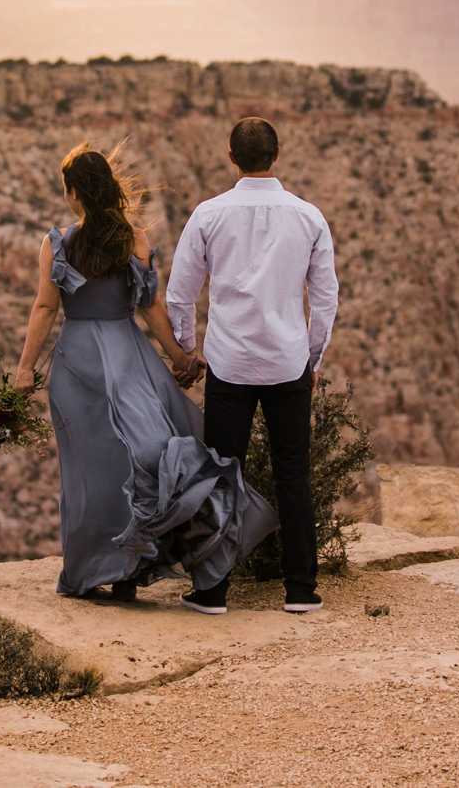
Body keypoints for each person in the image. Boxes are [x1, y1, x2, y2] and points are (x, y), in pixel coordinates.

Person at [16, 144, 276, 601]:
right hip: (128, 355)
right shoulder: (132, 240)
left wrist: (24, 370)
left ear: (74, 193)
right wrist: (180, 358)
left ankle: (91, 569)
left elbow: (44, 307)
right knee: (143, 457)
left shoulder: (57, 243)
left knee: (88, 472)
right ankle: (129, 572)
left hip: (76, 366)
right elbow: (151, 307)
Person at [166, 116, 338, 615]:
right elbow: (325, 300)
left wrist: (187, 351)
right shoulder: (309, 217)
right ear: (277, 154)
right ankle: (302, 589)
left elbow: (180, 295)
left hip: (229, 363)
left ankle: (214, 591)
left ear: (231, 157)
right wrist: (312, 357)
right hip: (287, 364)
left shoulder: (207, 215)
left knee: (221, 473)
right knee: (294, 474)